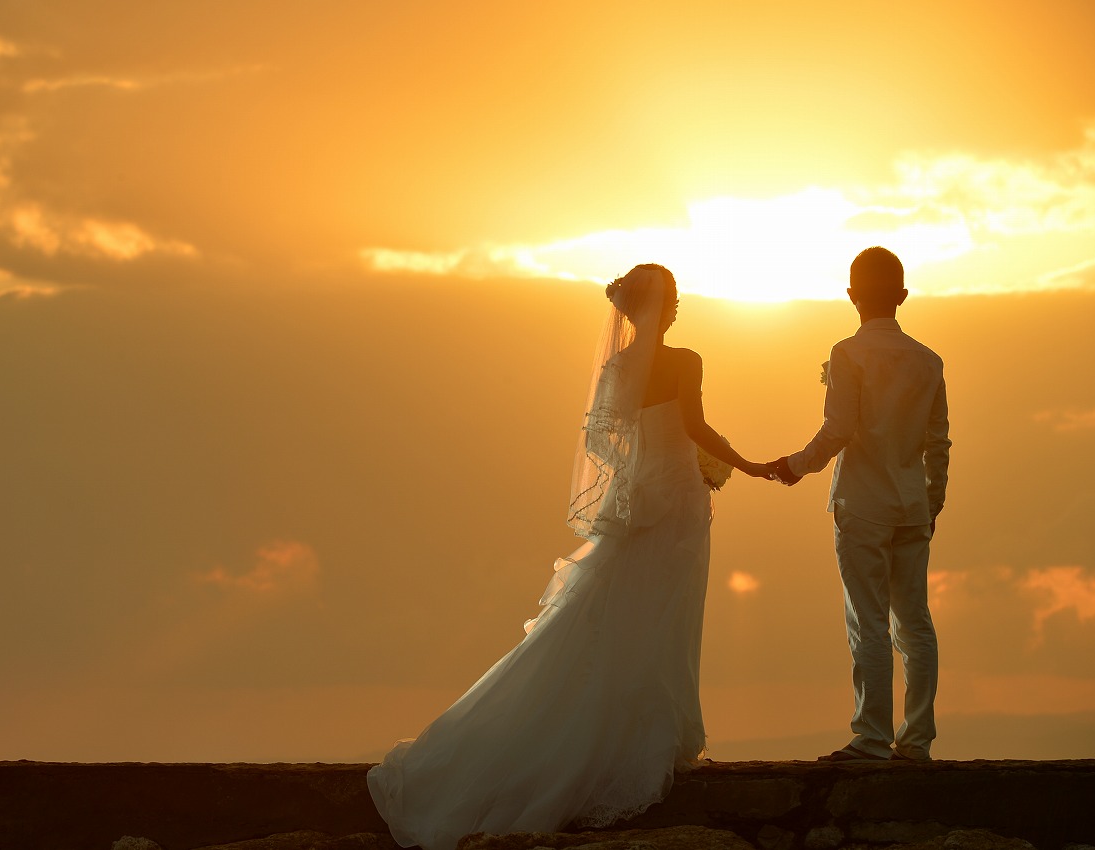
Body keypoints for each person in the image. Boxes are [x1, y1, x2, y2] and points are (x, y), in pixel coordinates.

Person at [367, 264, 775, 849]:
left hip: (639, 498)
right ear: (671, 306)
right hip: (678, 497)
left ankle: (640, 734)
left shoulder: (616, 367)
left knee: (622, 613)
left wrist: (645, 474)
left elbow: (610, 441)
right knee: (669, 612)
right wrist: (748, 463)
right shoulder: (685, 360)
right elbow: (693, 424)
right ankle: (656, 740)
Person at [769, 246, 950, 762]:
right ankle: (917, 740)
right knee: (915, 621)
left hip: (862, 504)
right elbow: (939, 442)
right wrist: (931, 501)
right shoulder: (929, 360)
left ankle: (872, 737)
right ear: (902, 296)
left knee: (868, 620)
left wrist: (794, 466)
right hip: (913, 505)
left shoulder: (847, 355)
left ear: (851, 296)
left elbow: (839, 429)